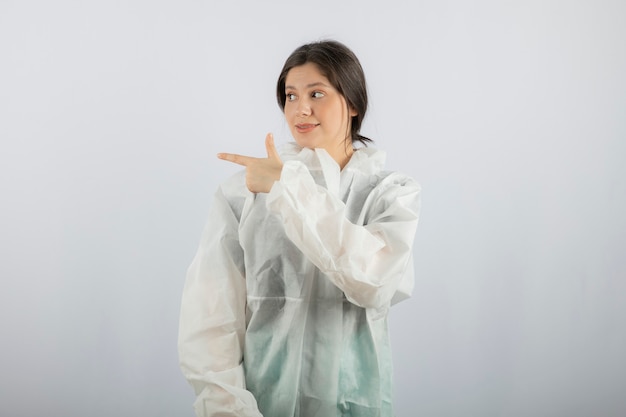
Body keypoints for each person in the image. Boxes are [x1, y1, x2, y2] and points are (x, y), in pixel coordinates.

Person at [178, 40, 421, 417]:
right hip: (262, 404)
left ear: (353, 104)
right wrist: (229, 409)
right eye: (290, 95)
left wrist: (288, 189)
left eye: (317, 93)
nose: (300, 109)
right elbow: (210, 320)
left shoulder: (391, 194)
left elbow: (375, 282)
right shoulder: (243, 193)